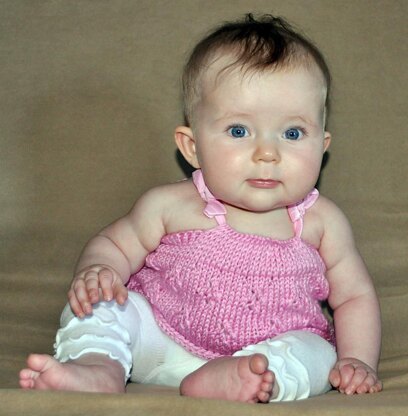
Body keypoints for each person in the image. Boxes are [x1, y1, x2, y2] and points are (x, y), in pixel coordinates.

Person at [19, 14, 382, 403]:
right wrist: (99, 271)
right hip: (158, 342)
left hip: (260, 357)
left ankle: (245, 380)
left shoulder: (321, 222)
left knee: (316, 352)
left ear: (322, 145)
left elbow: (354, 297)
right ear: (192, 147)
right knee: (102, 305)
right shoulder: (171, 205)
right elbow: (115, 243)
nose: (267, 153)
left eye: (292, 133)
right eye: (239, 131)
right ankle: (97, 366)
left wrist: (358, 359)